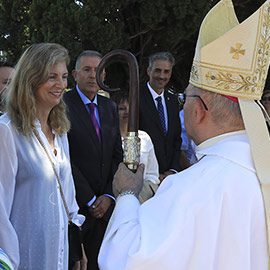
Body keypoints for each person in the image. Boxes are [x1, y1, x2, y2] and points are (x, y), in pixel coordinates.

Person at [98, 0, 270, 269]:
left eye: (185, 98)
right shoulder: (261, 172)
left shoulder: (190, 188)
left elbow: (127, 260)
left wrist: (127, 195)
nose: (183, 103)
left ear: (200, 110)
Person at [0, 43, 86, 270]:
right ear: (31, 79)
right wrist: (9, 262)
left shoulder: (60, 130)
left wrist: (78, 247)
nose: (61, 85)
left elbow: (68, 195)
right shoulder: (7, 131)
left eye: (64, 76)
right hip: (24, 257)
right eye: (52, 77)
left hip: (60, 253)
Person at [64, 50, 123, 270]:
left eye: (98, 70)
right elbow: (64, 158)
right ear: (75, 74)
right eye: (86, 70)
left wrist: (108, 195)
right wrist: (89, 199)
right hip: (77, 209)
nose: (92, 75)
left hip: (106, 211)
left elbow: (118, 155)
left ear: (104, 76)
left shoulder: (109, 108)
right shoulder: (61, 105)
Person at [139, 52, 181, 182]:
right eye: (158, 70)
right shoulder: (135, 97)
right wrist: (153, 173)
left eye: (166, 71)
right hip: (145, 177)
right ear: (149, 71)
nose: (162, 76)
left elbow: (176, 139)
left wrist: (172, 171)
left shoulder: (173, 101)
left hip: (169, 178)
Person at [111, 91, 160, 203]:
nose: (127, 112)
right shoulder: (109, 139)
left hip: (143, 199)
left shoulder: (144, 137)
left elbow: (152, 174)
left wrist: (139, 193)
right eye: (122, 108)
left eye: (130, 108)